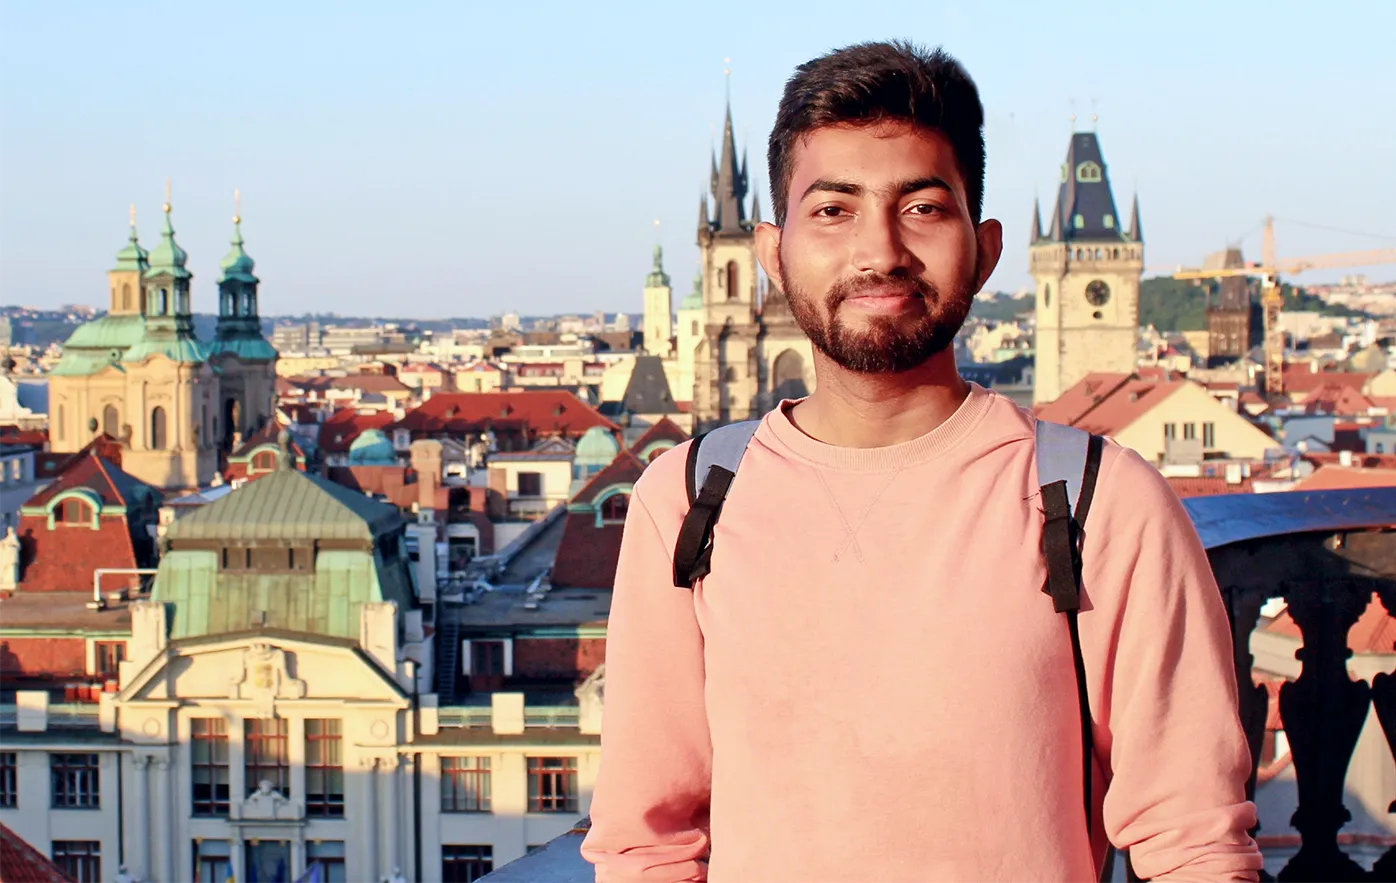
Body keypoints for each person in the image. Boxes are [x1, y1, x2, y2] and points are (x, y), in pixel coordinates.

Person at [581, 41, 1262, 882]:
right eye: (833, 210)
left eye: (923, 208)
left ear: (984, 248)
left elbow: (1195, 844)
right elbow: (644, 842)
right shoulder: (687, 502)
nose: (881, 251)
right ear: (770, 251)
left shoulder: (1100, 502)